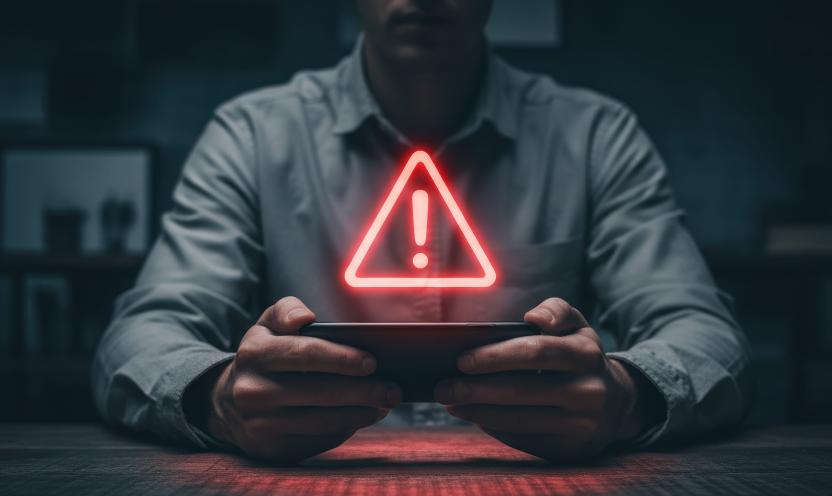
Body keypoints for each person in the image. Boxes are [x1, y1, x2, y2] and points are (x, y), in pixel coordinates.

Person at [92, 0, 750, 463]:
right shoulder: (254, 136)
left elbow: (705, 332)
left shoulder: (595, 137)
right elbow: (141, 336)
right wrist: (219, 399)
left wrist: (626, 397)